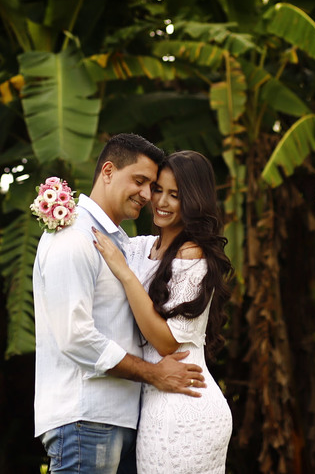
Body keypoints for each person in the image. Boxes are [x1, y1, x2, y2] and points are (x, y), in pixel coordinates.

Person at [34, 133, 206, 474]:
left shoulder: (122, 244)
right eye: (140, 181)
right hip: (85, 420)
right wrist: (154, 374)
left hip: (121, 421)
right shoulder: (74, 237)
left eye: (152, 186)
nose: (147, 195)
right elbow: (75, 336)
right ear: (108, 171)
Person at [92, 150, 234, 474]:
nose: (162, 202)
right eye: (158, 190)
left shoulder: (191, 254)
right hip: (156, 403)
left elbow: (166, 343)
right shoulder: (143, 248)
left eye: (175, 195)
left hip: (184, 405)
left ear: (194, 201)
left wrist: (126, 275)